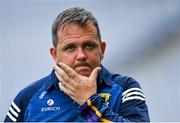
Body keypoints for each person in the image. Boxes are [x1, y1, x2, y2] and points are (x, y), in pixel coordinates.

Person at [4, 7, 150, 122]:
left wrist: (90, 103)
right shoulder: (27, 98)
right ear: (54, 55)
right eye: (70, 48)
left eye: (89, 46)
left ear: (102, 49)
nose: (81, 55)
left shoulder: (125, 88)